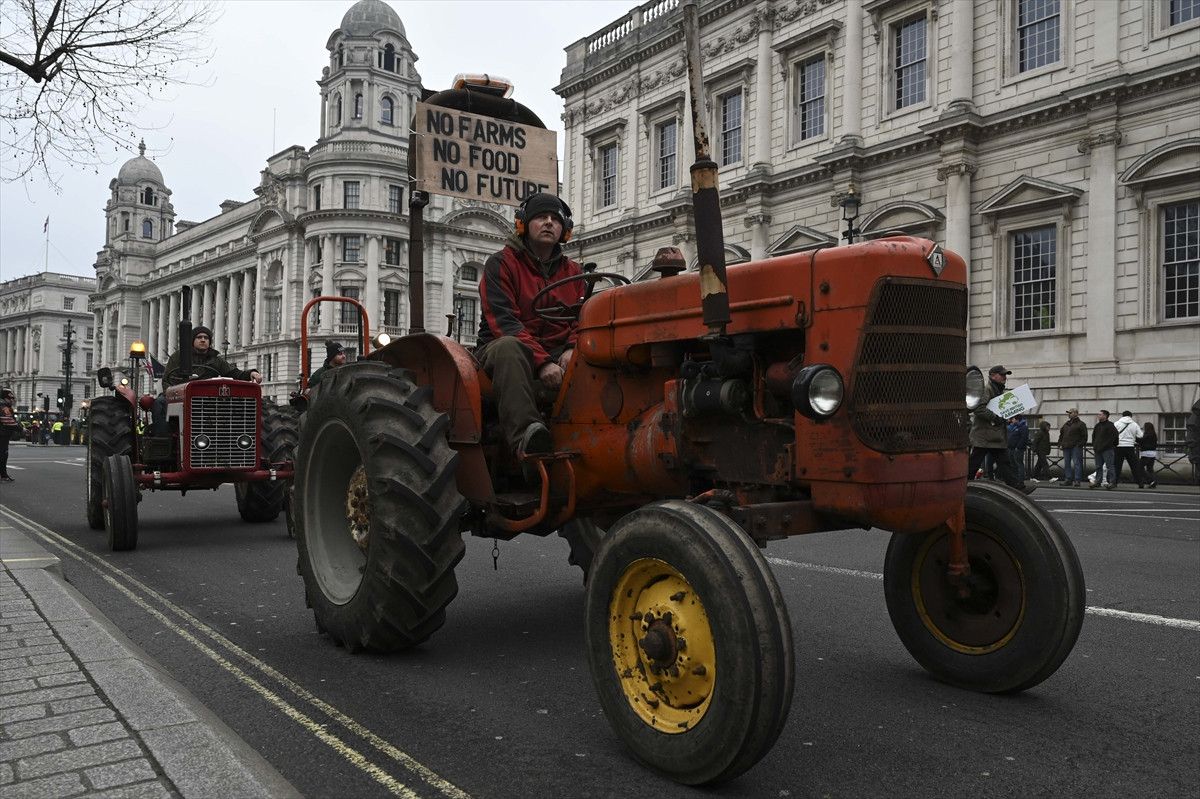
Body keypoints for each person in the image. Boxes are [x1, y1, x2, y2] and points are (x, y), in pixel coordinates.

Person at [476, 192, 583, 463]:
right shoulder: (501, 264)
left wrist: (572, 347)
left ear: (565, 230)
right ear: (522, 225)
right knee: (509, 348)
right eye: (540, 217)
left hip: (557, 350)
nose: (548, 223)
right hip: (503, 349)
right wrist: (543, 362)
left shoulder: (575, 272)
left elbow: (581, 317)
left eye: (555, 219)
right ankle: (528, 441)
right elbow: (504, 322)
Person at [153, 326, 262, 434]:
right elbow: (167, 379)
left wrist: (251, 373)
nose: (203, 340)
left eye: (206, 338)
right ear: (192, 340)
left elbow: (234, 373)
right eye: (199, 337)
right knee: (160, 403)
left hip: (207, 398)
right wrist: (172, 394)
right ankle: (162, 438)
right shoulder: (178, 356)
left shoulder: (216, 360)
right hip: (180, 396)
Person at [968, 365, 1033, 493]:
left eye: (1005, 375)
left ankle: (1017, 487)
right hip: (985, 436)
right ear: (993, 375)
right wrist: (996, 418)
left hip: (993, 436)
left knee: (1004, 463)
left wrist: (1004, 417)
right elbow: (978, 408)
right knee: (975, 463)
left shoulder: (997, 390)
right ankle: (963, 485)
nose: (1005, 377)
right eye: (1002, 375)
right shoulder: (987, 389)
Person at [1112, 410, 1146, 489]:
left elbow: (1112, 434)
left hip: (1118, 446)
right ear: (1131, 416)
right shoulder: (1134, 424)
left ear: (1122, 416)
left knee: (1117, 466)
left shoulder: (1116, 423)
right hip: (1130, 447)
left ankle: (1114, 482)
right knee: (1134, 466)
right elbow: (1140, 435)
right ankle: (1140, 483)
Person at [1058, 408, 1087, 486]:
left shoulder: (1081, 424)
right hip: (1066, 446)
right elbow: (1061, 435)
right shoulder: (1066, 424)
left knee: (1077, 463)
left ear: (1076, 413)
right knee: (1067, 464)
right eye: (1069, 413)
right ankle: (1068, 479)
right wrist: (1060, 444)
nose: (1069, 414)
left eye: (1070, 413)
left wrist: (1079, 445)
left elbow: (1084, 437)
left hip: (1075, 447)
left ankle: (1077, 480)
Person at [1090, 410, 1118, 489]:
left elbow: (1114, 437)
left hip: (1107, 449)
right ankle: (1098, 481)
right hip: (1098, 449)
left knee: (1110, 466)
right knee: (1098, 466)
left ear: (1105, 416)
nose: (1098, 416)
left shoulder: (1110, 425)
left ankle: (1112, 482)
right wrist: (1094, 445)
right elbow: (1094, 436)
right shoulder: (1097, 425)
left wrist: (1108, 445)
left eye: (1100, 414)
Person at [0, 388, 18, 482]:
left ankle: (3, 474)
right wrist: (21, 429)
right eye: (10, 398)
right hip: (2, 434)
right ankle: (3, 475)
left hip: (3, 434)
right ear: (5, 398)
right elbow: (9, 421)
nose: (12, 400)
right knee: (3, 455)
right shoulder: (4, 407)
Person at [1007, 414, 1029, 482]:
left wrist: (1018, 447)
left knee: (1019, 464)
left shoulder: (1023, 427)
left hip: (1018, 449)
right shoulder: (1015, 427)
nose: (1012, 420)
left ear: (1017, 419)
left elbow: (1023, 438)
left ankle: (1020, 480)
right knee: (1013, 464)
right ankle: (1015, 479)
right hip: (1011, 448)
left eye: (1013, 419)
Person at [1137, 421, 1159, 489]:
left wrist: (1134, 437)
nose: (1143, 428)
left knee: (1139, 468)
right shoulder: (1153, 434)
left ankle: (1150, 480)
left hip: (1146, 453)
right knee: (1150, 469)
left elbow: (1141, 441)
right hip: (1153, 453)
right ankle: (1153, 482)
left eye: (1144, 427)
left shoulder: (1147, 434)